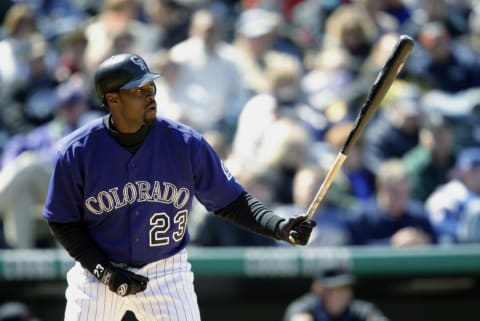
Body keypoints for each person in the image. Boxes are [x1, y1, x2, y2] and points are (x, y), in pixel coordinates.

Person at [42, 53, 316, 321]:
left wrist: (279, 228)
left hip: (166, 271)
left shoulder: (185, 143)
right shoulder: (78, 151)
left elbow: (231, 201)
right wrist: (104, 271)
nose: (150, 95)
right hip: (98, 271)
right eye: (139, 90)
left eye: (151, 86)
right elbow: (62, 221)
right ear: (113, 99)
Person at [347, 159, 437, 247]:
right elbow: (356, 250)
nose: (401, 200)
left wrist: (424, 242)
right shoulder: (361, 217)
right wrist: (392, 243)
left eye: (405, 193)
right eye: (395, 193)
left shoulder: (419, 216)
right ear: (380, 188)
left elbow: (436, 246)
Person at [283, 267, 390, 321]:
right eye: (334, 289)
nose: (341, 295)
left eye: (345, 289)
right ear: (320, 290)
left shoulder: (358, 309)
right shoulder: (306, 306)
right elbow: (298, 317)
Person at [425, 147, 480, 244]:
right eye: (473, 171)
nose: (475, 175)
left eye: (477, 171)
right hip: (455, 250)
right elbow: (438, 223)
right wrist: (462, 231)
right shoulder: (448, 193)